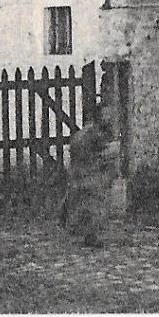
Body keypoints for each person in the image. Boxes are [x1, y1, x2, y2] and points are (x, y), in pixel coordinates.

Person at [65, 104, 121, 248]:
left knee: (88, 205)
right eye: (106, 115)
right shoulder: (93, 135)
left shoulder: (86, 134)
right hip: (90, 174)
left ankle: (87, 234)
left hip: (85, 174)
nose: (110, 118)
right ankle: (90, 235)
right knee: (93, 204)